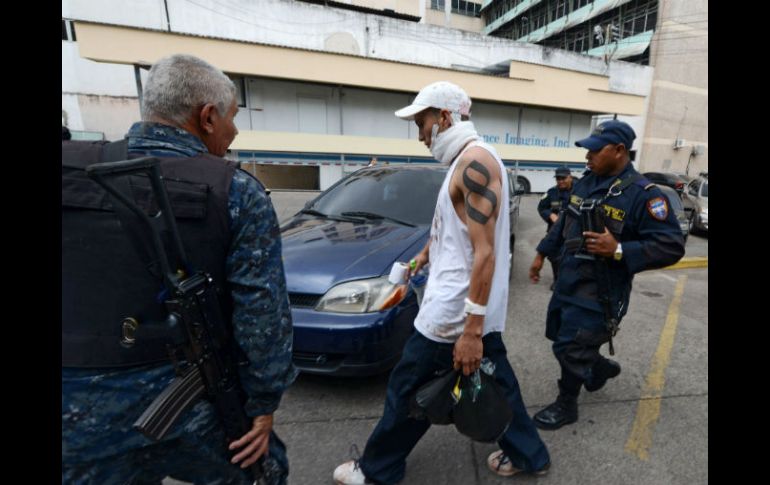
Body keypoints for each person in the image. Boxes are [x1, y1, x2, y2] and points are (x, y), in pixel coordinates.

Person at [62, 54, 298, 484]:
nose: (236, 130)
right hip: (190, 406)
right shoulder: (236, 192)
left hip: (75, 418)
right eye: (232, 116)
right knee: (266, 469)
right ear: (206, 118)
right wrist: (264, 404)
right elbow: (262, 321)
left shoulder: (71, 169)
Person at [333, 81, 550, 485]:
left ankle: (378, 470)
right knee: (498, 381)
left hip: (451, 314)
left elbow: (484, 254)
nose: (419, 134)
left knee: (407, 389)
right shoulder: (468, 161)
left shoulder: (473, 165)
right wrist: (420, 258)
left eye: (421, 122)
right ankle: (531, 455)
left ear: (444, 118)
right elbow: (453, 233)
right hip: (470, 310)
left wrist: (470, 331)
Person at [528, 120, 685, 430]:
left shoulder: (644, 195)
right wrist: (541, 253)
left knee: (569, 346)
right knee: (560, 334)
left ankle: (566, 403)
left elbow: (671, 245)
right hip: (569, 279)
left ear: (619, 150)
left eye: (594, 151)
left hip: (601, 290)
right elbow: (563, 225)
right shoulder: (586, 182)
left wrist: (619, 249)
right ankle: (598, 367)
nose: (587, 158)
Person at [537, 165, 574, 288]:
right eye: (558, 179)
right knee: (553, 255)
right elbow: (541, 207)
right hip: (555, 230)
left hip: (573, 230)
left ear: (570, 177)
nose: (561, 181)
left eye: (563, 178)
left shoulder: (579, 191)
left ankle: (570, 281)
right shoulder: (552, 192)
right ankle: (557, 279)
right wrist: (550, 215)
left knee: (571, 256)